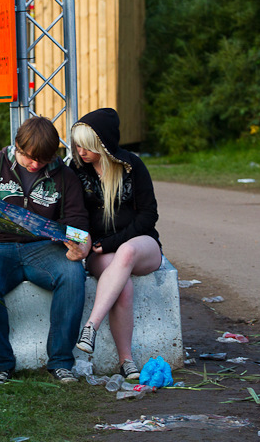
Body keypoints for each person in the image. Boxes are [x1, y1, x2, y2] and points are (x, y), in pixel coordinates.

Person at [0, 116, 91, 385]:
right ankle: (1, 365)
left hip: (45, 248)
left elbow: (79, 227)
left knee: (73, 274)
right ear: (16, 146)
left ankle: (61, 362)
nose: (35, 165)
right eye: (30, 158)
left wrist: (81, 248)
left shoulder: (64, 176)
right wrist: (1, 218)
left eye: (42, 161)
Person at [69, 108, 162, 380]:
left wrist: (111, 242)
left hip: (140, 246)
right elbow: (74, 214)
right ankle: (127, 361)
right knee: (123, 288)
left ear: (104, 144)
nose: (80, 151)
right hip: (98, 250)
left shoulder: (132, 166)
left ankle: (91, 327)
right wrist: (85, 244)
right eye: (77, 145)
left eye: (87, 146)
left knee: (127, 250)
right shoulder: (75, 171)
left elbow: (149, 215)